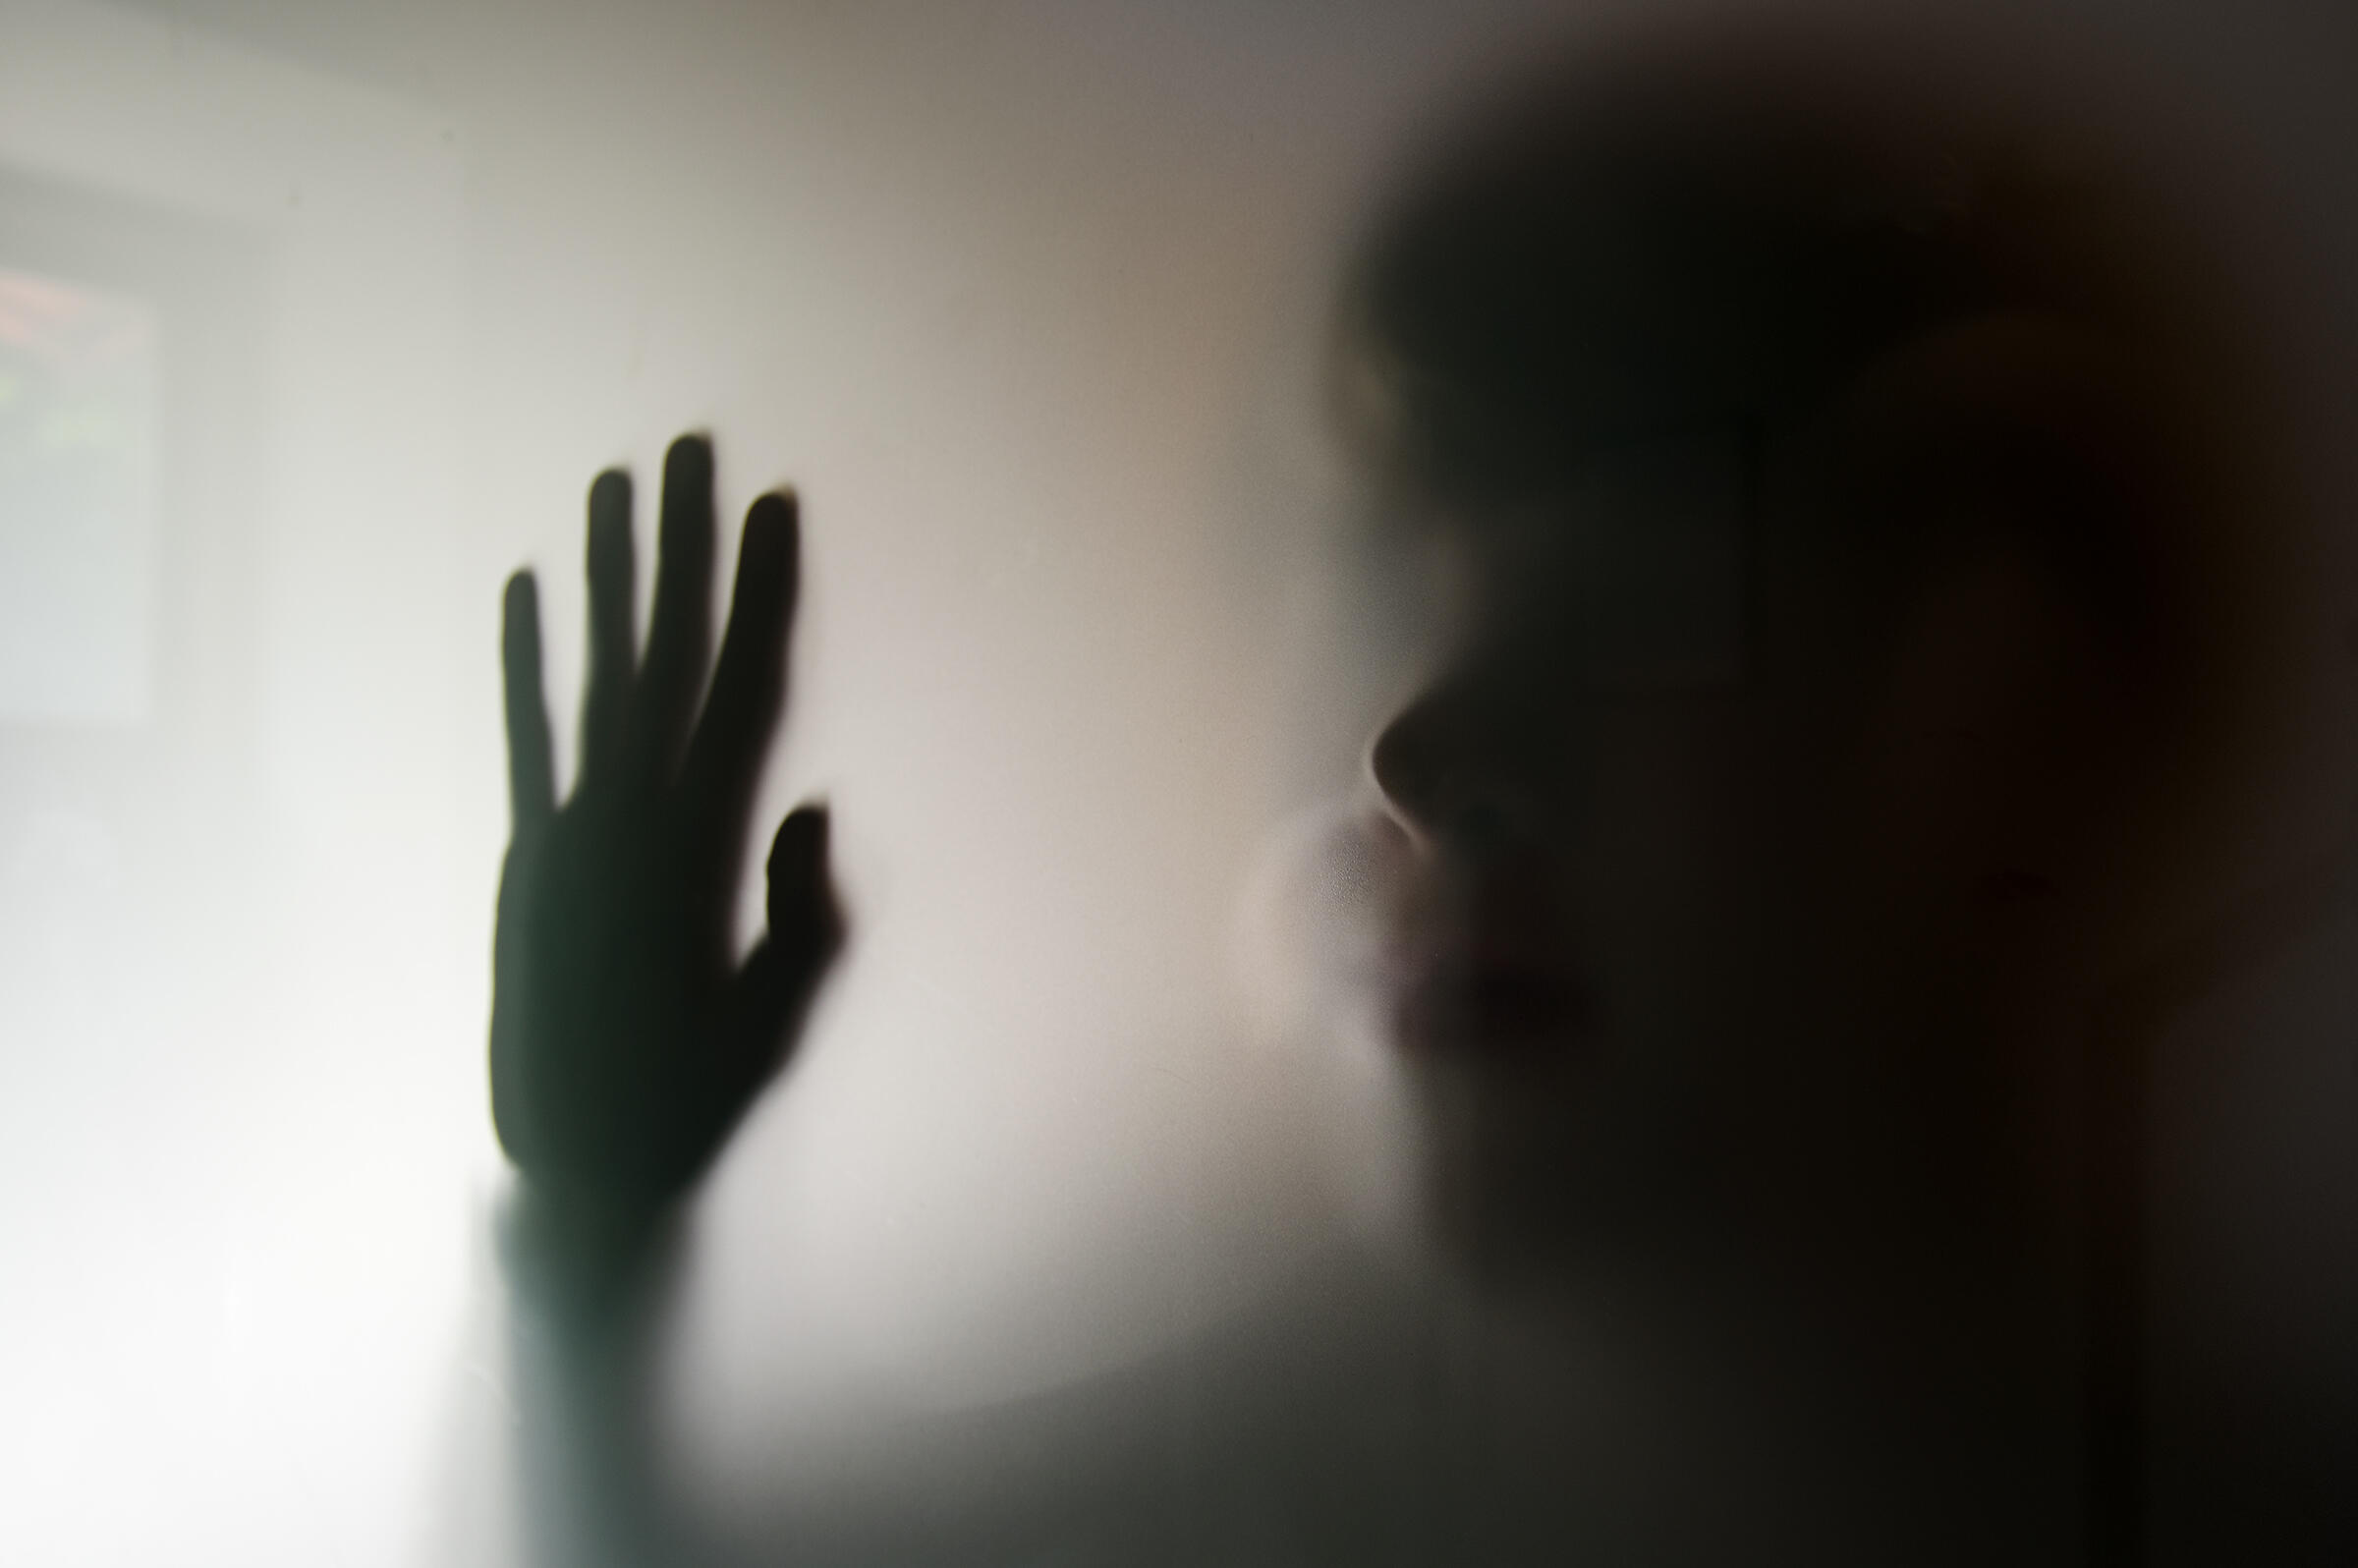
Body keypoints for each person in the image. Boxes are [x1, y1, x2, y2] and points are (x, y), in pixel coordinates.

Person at [486, 13, 2356, 1564]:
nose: (1417, 750)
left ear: (1996, 700)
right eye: (1399, 577)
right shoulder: (1194, 1478)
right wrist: (592, 1244)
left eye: (1635, 596)